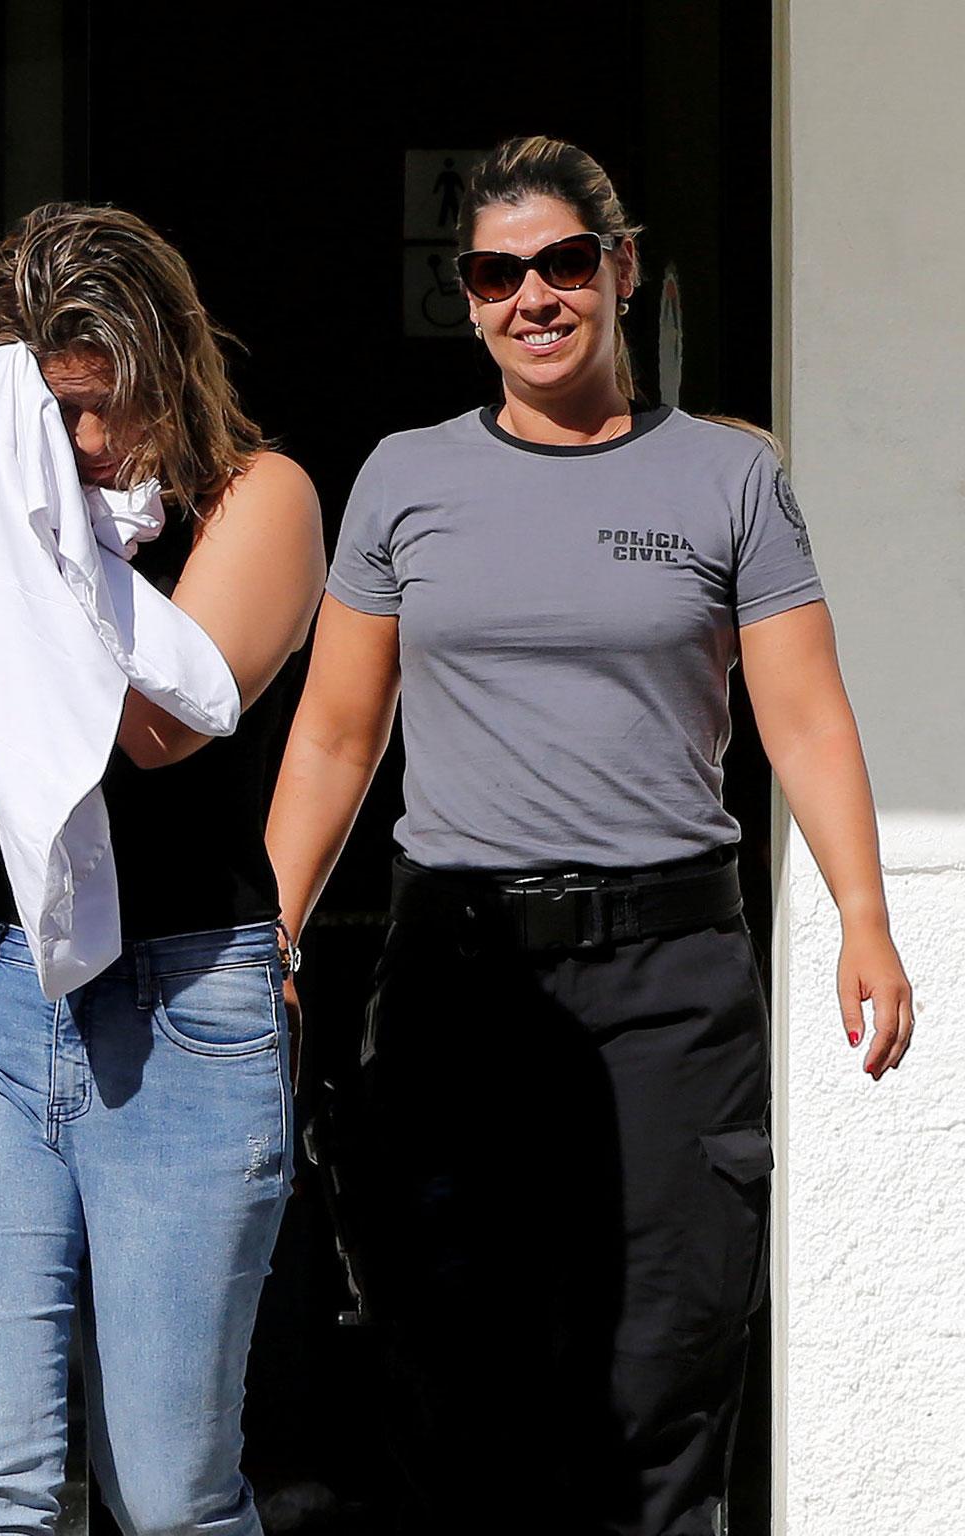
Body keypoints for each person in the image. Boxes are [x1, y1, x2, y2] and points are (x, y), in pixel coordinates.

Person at [267, 136, 915, 1535]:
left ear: (621, 270)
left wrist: (864, 915)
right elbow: (334, 733)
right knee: (455, 1377)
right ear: (469, 296)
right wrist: (273, 926)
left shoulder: (726, 480)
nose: (534, 299)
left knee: (664, 1374)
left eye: (564, 263)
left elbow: (803, 720)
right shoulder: (403, 478)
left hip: (669, 984)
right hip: (462, 980)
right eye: (497, 275)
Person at [0, 204, 325, 1536]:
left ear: (170, 371)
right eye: (45, 409)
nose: (78, 445)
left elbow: (155, 722)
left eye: (104, 404)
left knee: (172, 1493)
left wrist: (34, 546)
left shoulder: (261, 497)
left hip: (183, 1010)